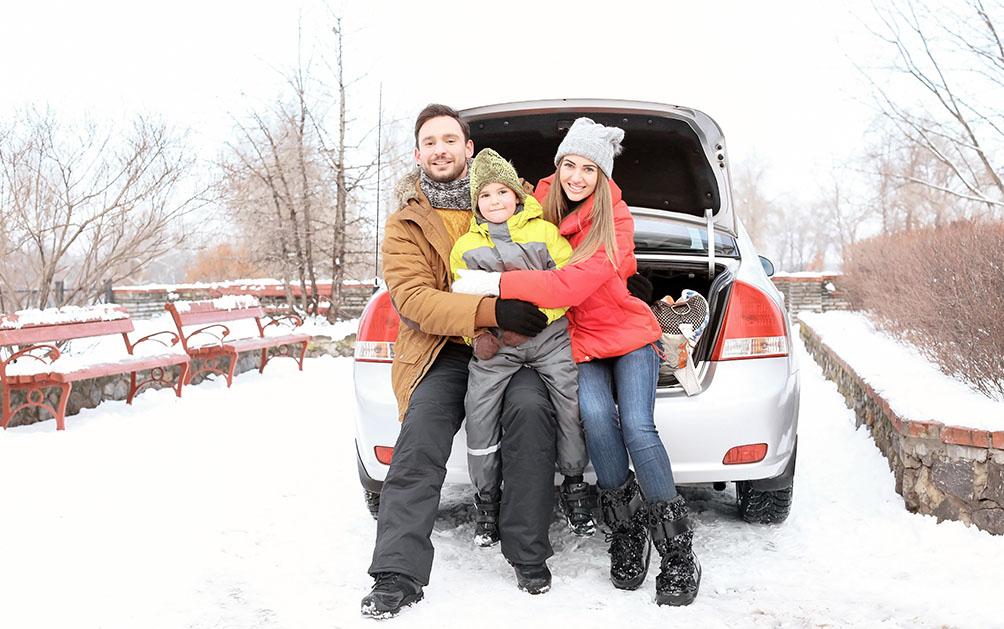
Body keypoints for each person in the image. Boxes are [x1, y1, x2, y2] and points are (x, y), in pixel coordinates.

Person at [452, 117, 702, 606]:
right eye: (570, 164)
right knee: (594, 417)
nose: (578, 176)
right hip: (578, 339)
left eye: (590, 168)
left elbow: (567, 286)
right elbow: (497, 209)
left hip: (627, 335)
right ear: (559, 165)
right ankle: (626, 530)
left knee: (636, 424)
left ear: (603, 175)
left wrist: (495, 286)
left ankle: (676, 550)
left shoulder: (619, 219)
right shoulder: (537, 206)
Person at [360, 104, 560, 619]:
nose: (441, 149)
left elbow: (564, 254)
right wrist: (491, 308)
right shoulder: (406, 223)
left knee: (531, 415)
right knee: (421, 439)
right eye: (430, 142)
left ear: (468, 149)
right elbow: (414, 300)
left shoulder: (509, 201)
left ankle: (528, 554)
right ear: (418, 153)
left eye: (451, 139)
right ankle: (396, 574)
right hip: (442, 350)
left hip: (513, 349)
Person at [450, 148, 595, 547]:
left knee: (570, 404)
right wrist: (475, 337)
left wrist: (541, 319)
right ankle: (487, 498)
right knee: (479, 409)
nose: (495, 201)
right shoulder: (464, 246)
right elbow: (459, 298)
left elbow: (568, 283)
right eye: (485, 196)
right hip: (496, 347)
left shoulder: (546, 233)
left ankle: (574, 483)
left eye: (502, 192)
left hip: (549, 340)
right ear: (476, 202)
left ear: (517, 195)